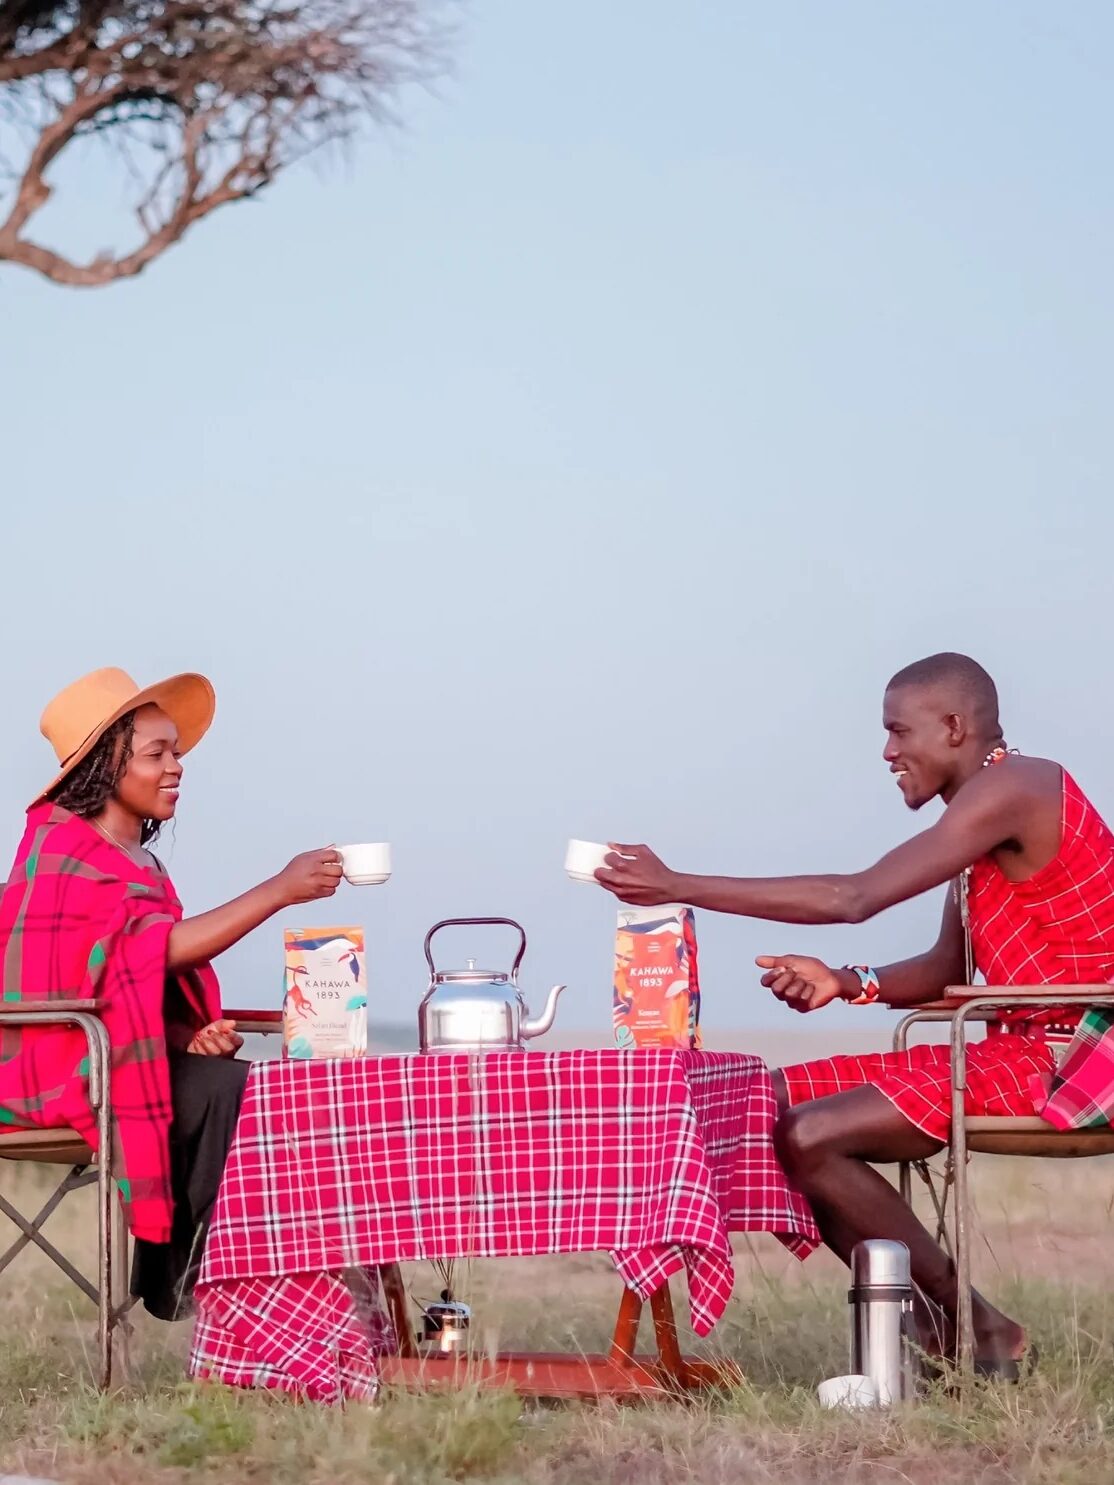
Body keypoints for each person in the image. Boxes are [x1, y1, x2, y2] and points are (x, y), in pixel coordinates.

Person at [595, 652, 1114, 1375]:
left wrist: (677, 882)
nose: (888, 752)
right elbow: (944, 969)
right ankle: (947, 1327)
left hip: (1072, 1060)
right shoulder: (981, 819)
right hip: (1006, 1049)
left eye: (899, 732)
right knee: (763, 1101)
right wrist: (843, 982)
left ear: (954, 726)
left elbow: (855, 896)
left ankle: (968, 1324)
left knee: (812, 1134)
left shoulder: (1018, 788)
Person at [0, 667, 345, 1319]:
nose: (176, 766)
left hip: (115, 1050)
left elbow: (119, 975)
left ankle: (213, 1285)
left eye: (177, 752)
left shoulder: (141, 862)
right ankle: (199, 1289)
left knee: (248, 1087)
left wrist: (187, 1034)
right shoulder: (63, 849)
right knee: (228, 1091)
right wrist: (279, 889)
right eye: (156, 753)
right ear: (104, 764)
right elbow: (140, 952)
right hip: (51, 1062)